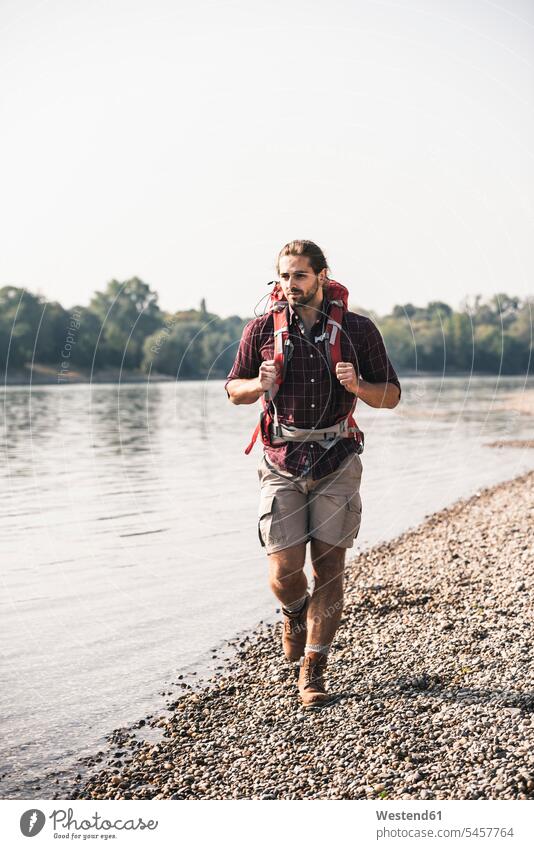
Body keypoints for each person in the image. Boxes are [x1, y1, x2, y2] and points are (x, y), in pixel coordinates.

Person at [225, 240, 401, 708]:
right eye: (283, 276)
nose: (289, 285)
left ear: (322, 276)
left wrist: (358, 385)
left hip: (337, 460)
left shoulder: (359, 330)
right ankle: (294, 612)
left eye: (299, 276)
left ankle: (314, 669)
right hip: (280, 460)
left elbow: (391, 397)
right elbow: (232, 391)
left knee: (329, 570)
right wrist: (257, 385)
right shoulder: (261, 329)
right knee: (284, 571)